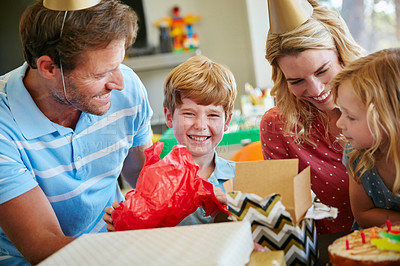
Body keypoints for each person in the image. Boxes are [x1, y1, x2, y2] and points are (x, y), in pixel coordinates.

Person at [0, 0, 153, 264]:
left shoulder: (127, 91)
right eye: (102, 73)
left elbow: (146, 180)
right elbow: (43, 245)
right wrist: (138, 249)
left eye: (118, 65)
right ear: (48, 68)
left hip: (117, 247)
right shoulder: (4, 126)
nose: (119, 83)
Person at [260, 0, 365, 234]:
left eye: (322, 71)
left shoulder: (379, 107)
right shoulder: (277, 125)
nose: (316, 90)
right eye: (296, 81)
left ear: (341, 53)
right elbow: (285, 212)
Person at [103, 55, 237, 228]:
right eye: (189, 113)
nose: (200, 125)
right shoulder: (152, 180)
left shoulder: (238, 180)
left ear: (226, 122)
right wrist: (125, 225)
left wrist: (235, 209)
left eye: (213, 115)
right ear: (168, 117)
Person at [331, 48, 400, 229]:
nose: (340, 123)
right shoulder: (357, 155)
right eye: (341, 112)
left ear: (390, 118)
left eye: (351, 116)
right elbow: (363, 214)